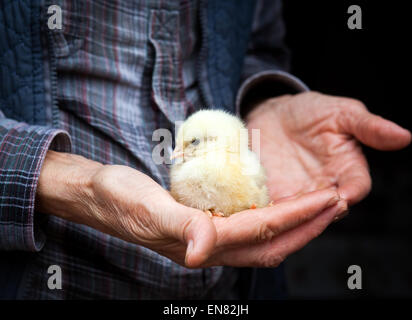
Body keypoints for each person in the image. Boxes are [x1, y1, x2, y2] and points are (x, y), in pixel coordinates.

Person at [0, 0, 410, 299]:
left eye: (191, 145)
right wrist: (59, 180)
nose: (178, 154)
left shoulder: (231, 159)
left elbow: (256, 45)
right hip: (50, 277)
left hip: (231, 292)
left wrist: (266, 100)